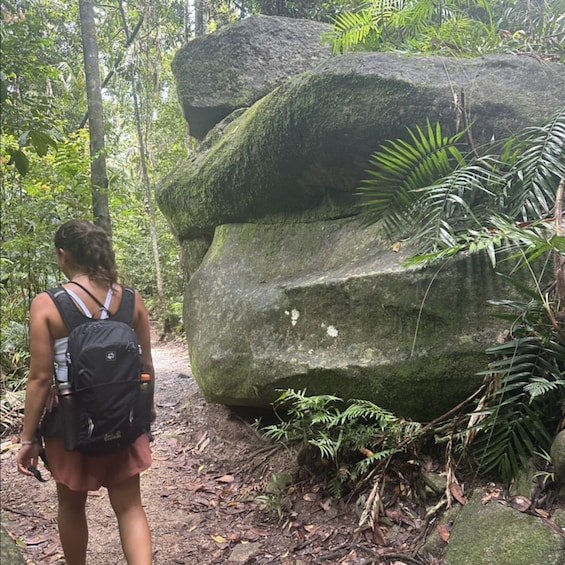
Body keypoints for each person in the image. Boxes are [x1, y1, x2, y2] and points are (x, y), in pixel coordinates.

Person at [16, 219, 155, 565]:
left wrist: (28, 437)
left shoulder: (48, 304)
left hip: (70, 423)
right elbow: (146, 367)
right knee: (130, 507)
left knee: (72, 506)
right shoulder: (132, 300)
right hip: (124, 418)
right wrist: (145, 414)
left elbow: (40, 378)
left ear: (64, 255)